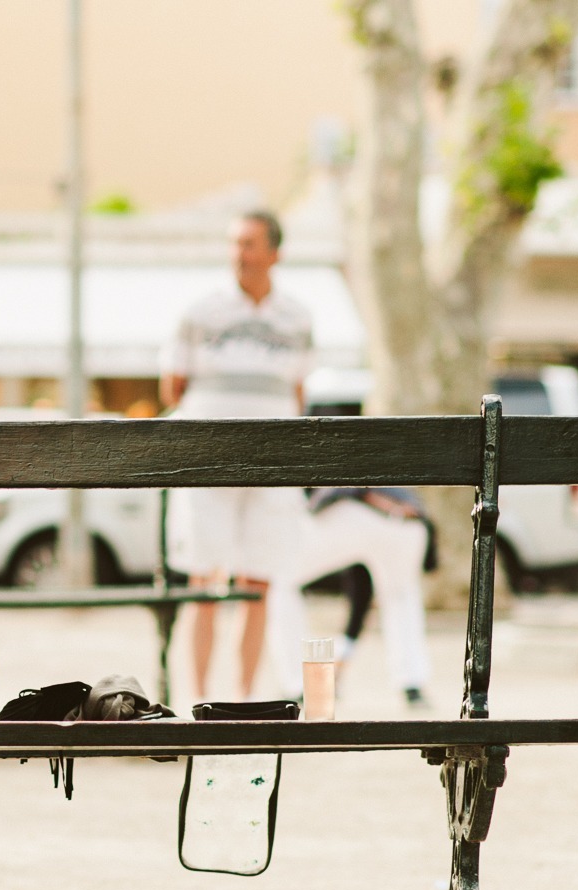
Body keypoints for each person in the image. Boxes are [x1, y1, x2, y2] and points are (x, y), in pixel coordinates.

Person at [160, 209, 312, 701]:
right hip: (207, 464)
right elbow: (172, 388)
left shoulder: (298, 317)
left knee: (257, 585)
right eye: (234, 243)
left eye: (248, 243)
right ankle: (198, 700)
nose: (238, 254)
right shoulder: (200, 310)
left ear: (274, 253)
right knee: (204, 583)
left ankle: (243, 700)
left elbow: (298, 388)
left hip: (272, 469)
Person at [298, 486, 434, 708]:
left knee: (280, 580)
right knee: (399, 596)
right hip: (403, 517)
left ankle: (300, 682)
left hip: (350, 506)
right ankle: (412, 684)